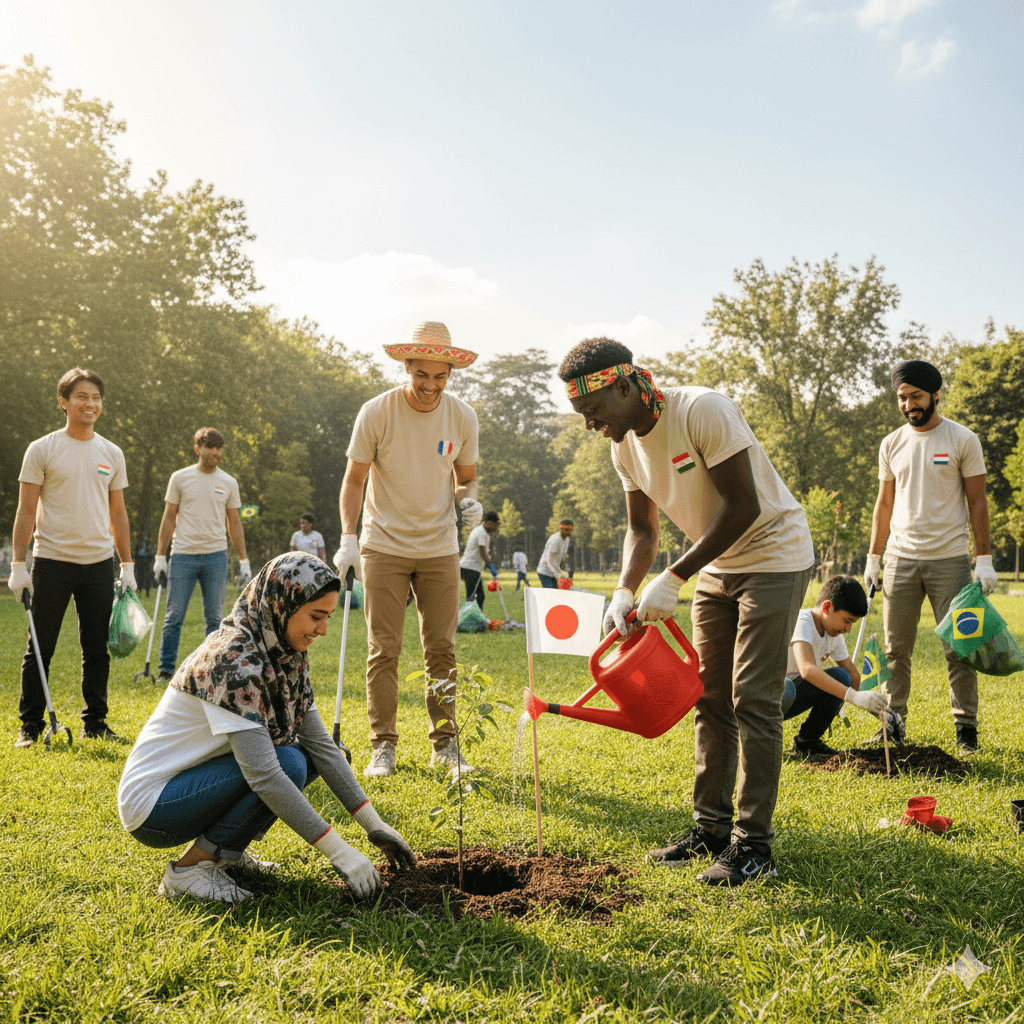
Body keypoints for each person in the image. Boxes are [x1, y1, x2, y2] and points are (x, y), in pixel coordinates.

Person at [558, 338, 814, 887]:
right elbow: (642, 530)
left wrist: (675, 576)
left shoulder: (702, 409)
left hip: (774, 553)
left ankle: (754, 847)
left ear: (623, 387)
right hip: (719, 563)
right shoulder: (623, 446)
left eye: (593, 412)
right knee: (709, 696)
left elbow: (743, 507)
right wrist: (626, 589)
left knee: (754, 699)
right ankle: (711, 829)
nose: (590, 425)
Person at [117, 553, 416, 903]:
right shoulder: (233, 660)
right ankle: (188, 872)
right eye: (316, 616)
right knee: (286, 765)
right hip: (155, 806)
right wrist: (340, 852)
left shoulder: (283, 653)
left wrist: (374, 826)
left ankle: (224, 853)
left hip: (193, 785)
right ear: (281, 604)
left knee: (304, 757)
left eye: (329, 617)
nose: (323, 630)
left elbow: (322, 747)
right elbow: (264, 776)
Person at [333, 322, 482, 779]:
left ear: (451, 372)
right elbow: (355, 479)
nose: (431, 387)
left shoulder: (462, 416)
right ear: (407, 367)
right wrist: (347, 537)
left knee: (442, 649)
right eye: (422, 376)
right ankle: (383, 746)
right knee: (385, 648)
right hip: (384, 545)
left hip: (439, 547)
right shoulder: (377, 412)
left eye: (440, 378)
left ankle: (446, 745)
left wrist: (469, 501)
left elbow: (466, 477)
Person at [865, 359, 995, 753]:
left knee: (959, 647)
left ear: (936, 394)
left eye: (916, 396)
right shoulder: (892, 443)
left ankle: (966, 729)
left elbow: (977, 502)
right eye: (902, 398)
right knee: (894, 649)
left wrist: (984, 558)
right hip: (900, 560)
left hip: (949, 560)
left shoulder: (962, 440)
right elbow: (884, 503)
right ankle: (893, 722)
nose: (908, 405)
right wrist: (874, 556)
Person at [8, 367, 136, 746]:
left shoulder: (111, 452)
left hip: (98, 564)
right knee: (40, 646)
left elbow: (117, 514)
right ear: (63, 402)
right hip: (51, 562)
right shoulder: (42, 449)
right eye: (82, 396)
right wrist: (18, 564)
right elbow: (26, 510)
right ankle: (29, 727)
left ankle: (95, 723)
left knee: (97, 649)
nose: (90, 403)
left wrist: (127, 565)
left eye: (96, 397)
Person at [154, 428, 251, 684]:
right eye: (209, 447)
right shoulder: (180, 478)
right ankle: (166, 670)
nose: (214, 452)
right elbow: (168, 517)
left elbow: (234, 523)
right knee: (174, 616)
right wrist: (160, 556)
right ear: (198, 449)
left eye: (218, 448)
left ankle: (212, 669)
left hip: (215, 557)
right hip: (183, 555)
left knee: (215, 618)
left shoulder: (228, 482)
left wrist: (244, 560)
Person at [783, 575, 890, 756]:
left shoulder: (833, 635)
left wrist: (877, 708)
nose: (848, 630)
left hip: (794, 696)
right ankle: (761, 739)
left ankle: (807, 742)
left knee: (842, 676)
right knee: (790, 686)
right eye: (847, 621)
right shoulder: (802, 622)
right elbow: (807, 670)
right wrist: (853, 697)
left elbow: (853, 675)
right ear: (827, 607)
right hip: (771, 698)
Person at [460, 510, 500, 609]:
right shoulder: (480, 532)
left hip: (474, 568)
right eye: (495, 525)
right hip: (469, 568)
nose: (496, 528)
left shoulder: (485, 533)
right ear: (489, 523)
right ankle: (469, 620)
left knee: (479, 596)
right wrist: (490, 566)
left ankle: (476, 619)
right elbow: (483, 552)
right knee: (473, 596)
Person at [536, 520, 573, 588]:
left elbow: (561, 556)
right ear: (561, 529)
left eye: (570, 530)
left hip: (555, 571)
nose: (569, 532)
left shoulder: (567, 540)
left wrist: (563, 571)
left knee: (557, 593)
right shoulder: (555, 540)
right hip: (545, 571)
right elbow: (549, 560)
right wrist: (557, 574)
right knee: (551, 594)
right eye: (567, 530)